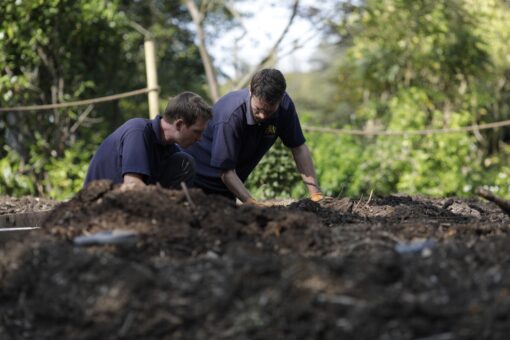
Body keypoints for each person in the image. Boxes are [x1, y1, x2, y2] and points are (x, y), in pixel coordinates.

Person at [184, 68, 323, 204]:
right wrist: (251, 202)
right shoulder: (231, 115)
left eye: (269, 112)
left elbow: (298, 147)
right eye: (258, 110)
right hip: (194, 181)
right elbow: (226, 172)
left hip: (227, 189)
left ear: (281, 98)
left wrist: (315, 194)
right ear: (250, 90)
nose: (263, 116)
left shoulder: (285, 106)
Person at [84, 91, 212, 189]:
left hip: (130, 205)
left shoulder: (171, 149)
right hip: (102, 206)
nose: (200, 138)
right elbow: (132, 185)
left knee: (184, 163)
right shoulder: (138, 131)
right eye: (197, 131)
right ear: (179, 125)